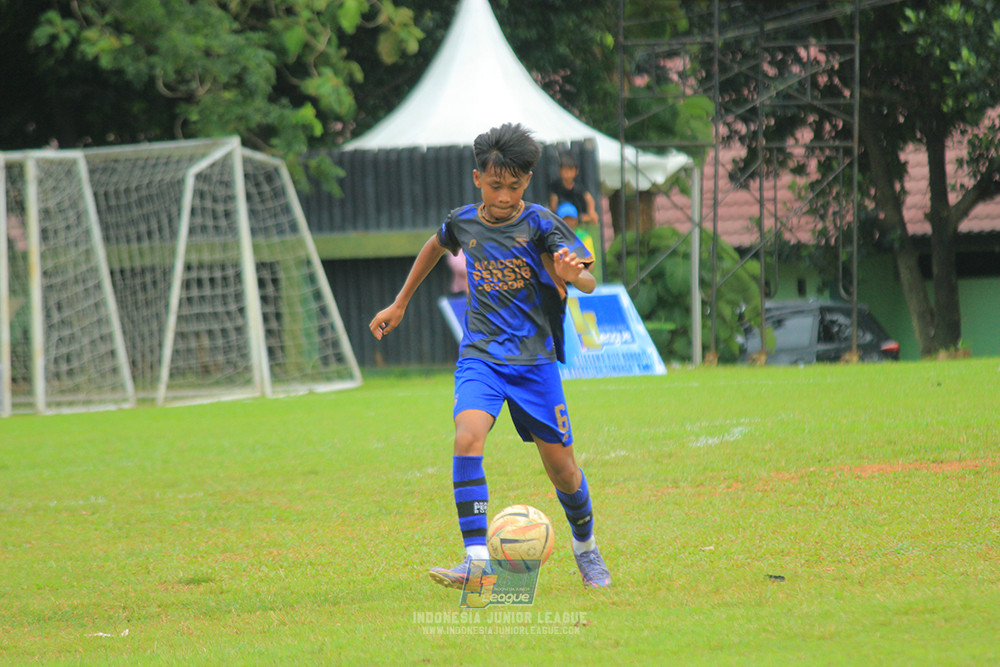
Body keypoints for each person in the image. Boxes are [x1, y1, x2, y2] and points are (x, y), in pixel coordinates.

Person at [369, 123, 612, 589]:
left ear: (527, 182)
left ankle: (587, 549)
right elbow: (435, 246)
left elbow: (586, 281)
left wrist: (570, 273)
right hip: (480, 355)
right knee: (467, 437)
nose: (505, 196)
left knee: (563, 471)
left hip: (534, 363)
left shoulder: (541, 222)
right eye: (496, 185)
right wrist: (400, 303)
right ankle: (476, 561)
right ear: (477, 177)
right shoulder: (463, 221)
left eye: (515, 186)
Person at [548, 151, 598, 226]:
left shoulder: (578, 186)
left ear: (576, 171)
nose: (567, 174)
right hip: (562, 214)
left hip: (577, 215)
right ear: (560, 171)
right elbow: (553, 204)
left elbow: (589, 198)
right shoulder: (556, 186)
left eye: (570, 170)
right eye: (565, 170)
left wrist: (591, 211)